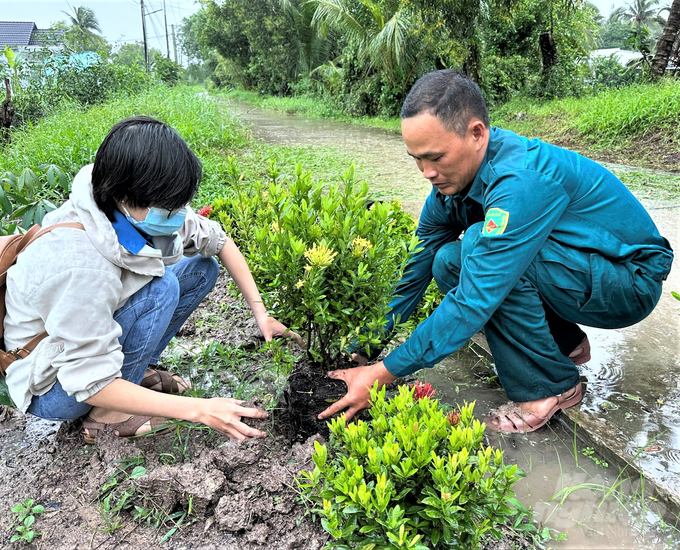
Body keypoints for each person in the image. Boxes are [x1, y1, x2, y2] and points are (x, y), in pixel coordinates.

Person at [319, 70, 674, 433]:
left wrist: (381, 374)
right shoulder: (449, 188)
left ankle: (551, 386)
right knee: (446, 262)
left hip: (628, 282)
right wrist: (364, 347)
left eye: (436, 157)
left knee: (477, 248)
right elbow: (416, 271)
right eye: (416, 159)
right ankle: (563, 343)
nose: (426, 172)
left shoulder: (519, 181)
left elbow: (475, 299)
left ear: (477, 134)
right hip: (576, 268)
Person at [4, 116, 300, 442]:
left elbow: (218, 242)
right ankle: (108, 418)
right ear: (125, 195)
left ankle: (136, 374)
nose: (179, 213)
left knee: (202, 267)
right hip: (54, 385)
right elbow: (90, 380)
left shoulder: (131, 211)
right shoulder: (80, 265)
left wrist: (262, 315)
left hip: (83, 341)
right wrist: (200, 409)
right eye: (168, 205)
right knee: (160, 290)